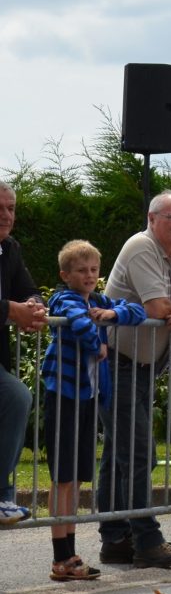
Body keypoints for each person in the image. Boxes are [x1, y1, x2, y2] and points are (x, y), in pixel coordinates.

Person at [97, 190, 171, 568]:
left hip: (145, 365)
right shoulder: (140, 247)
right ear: (152, 218)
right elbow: (157, 307)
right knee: (139, 454)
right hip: (117, 362)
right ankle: (147, 541)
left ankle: (115, 538)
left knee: (121, 455)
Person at [39, 240, 145, 580]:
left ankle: (70, 555)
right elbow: (77, 321)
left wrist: (113, 314)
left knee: (78, 476)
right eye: (81, 271)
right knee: (63, 477)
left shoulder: (98, 301)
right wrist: (98, 341)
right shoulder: (64, 297)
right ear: (65, 274)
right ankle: (61, 556)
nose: (88, 276)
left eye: (93, 271)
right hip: (64, 395)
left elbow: (137, 311)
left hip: (87, 397)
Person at [0, 181, 45, 525]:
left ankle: (2, 495)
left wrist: (34, 307)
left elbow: (28, 289)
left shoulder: (10, 249)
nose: (5, 215)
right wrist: (8, 311)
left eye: (11, 208)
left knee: (17, 397)